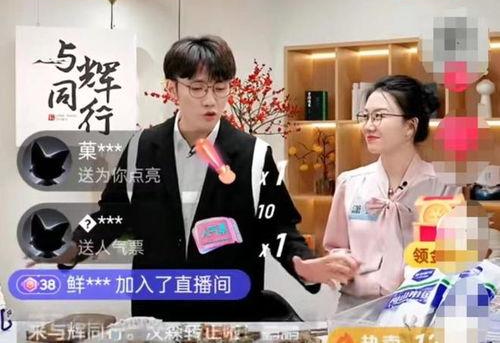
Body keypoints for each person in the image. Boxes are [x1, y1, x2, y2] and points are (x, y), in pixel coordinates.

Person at [54, 35, 358, 321]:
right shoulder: (141, 148)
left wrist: (302, 263)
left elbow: (278, 227)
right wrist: (73, 248)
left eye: (220, 87)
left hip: (231, 317)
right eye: (198, 88)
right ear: (172, 89)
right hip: (157, 314)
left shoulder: (253, 155)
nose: (211, 100)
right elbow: (112, 215)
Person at [323, 75, 460, 312]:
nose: (368, 126)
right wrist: (345, 269)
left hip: (418, 314)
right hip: (354, 313)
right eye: (366, 116)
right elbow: (335, 249)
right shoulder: (350, 183)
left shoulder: (443, 187)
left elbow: (451, 259)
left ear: (410, 126)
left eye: (379, 116)